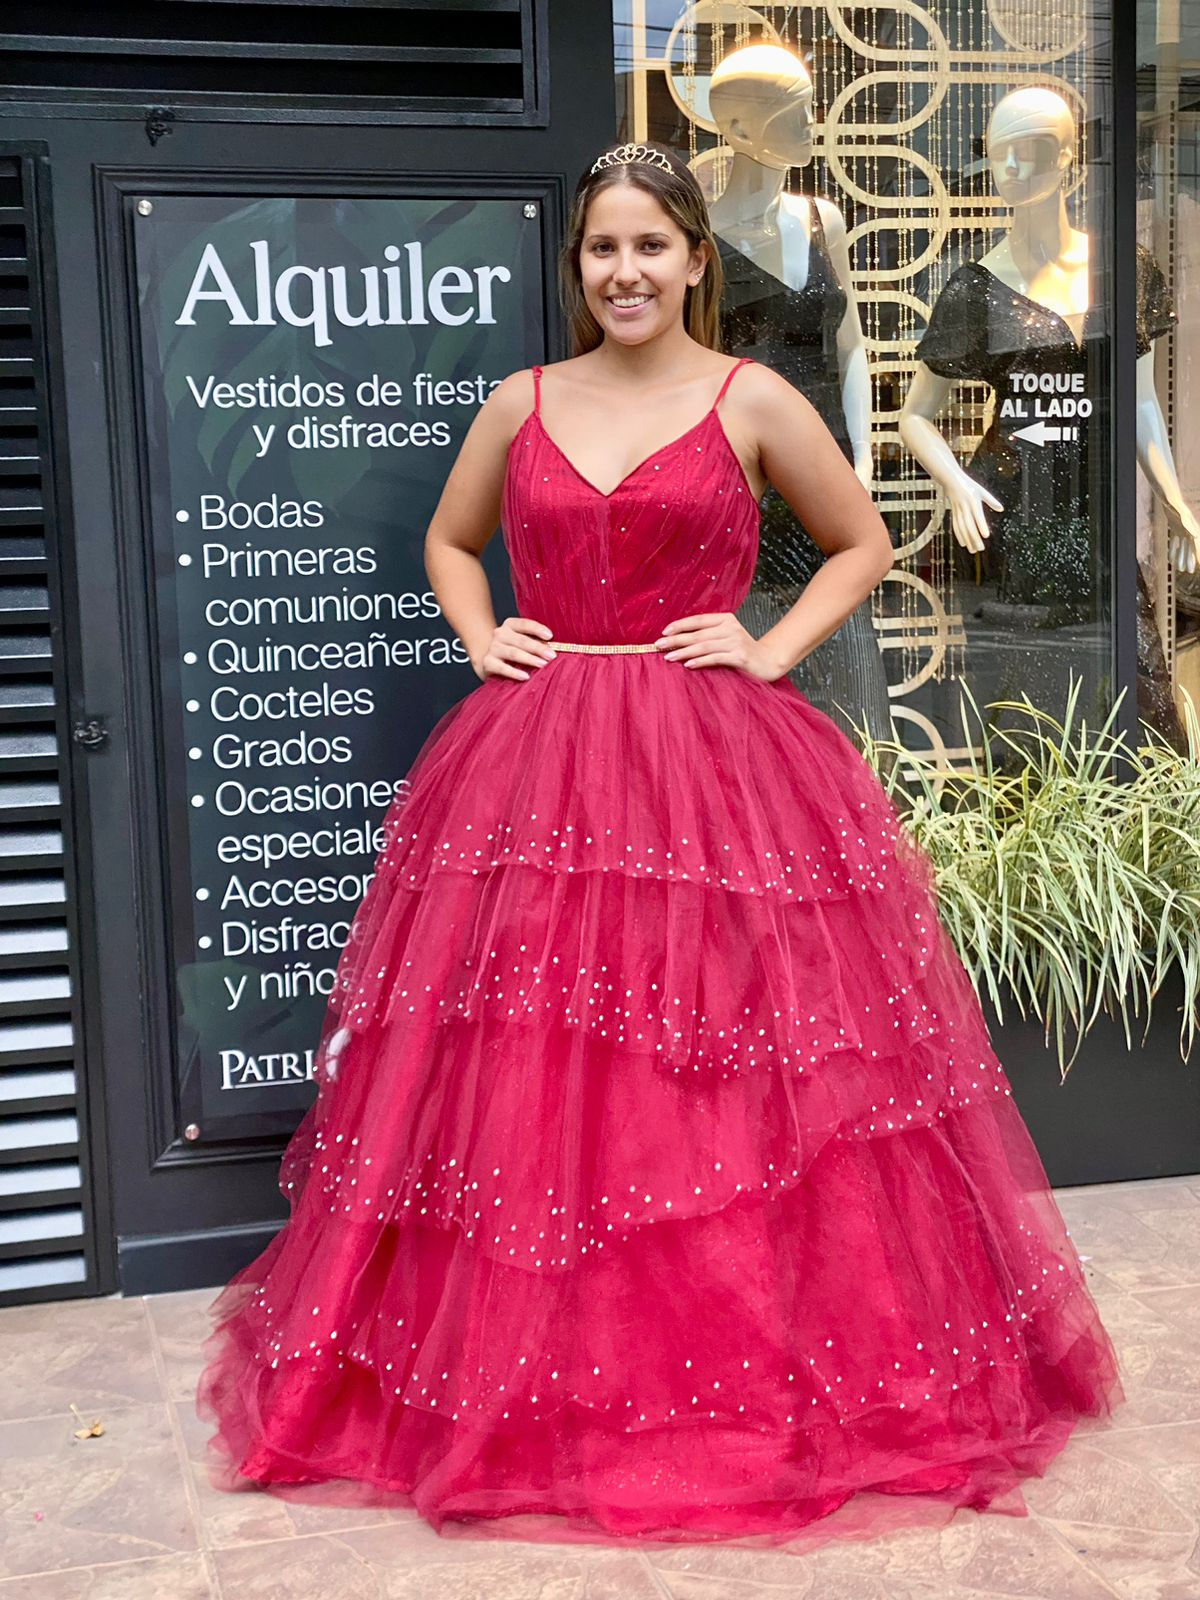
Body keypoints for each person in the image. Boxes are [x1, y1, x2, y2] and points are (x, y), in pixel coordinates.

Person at [195, 140, 1124, 1552]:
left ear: (696, 258)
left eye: (649, 246)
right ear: (579, 270)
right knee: (536, 1077)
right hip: (539, 763)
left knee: (725, 1064)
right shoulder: (525, 401)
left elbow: (863, 541)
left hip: (717, 769)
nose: (624, 271)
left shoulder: (752, 398)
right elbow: (451, 544)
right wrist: (477, 630)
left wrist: (767, 648)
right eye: (600, 250)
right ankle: (531, 1383)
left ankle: (739, 1369)